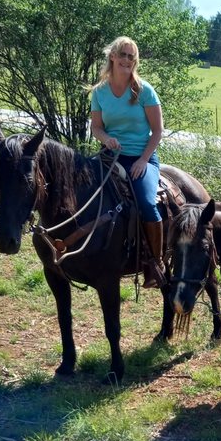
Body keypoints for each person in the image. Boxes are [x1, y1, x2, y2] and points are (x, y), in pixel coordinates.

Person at [89, 36, 166, 288]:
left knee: (146, 203)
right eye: (122, 54)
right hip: (110, 157)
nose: (126, 60)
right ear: (112, 56)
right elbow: (96, 128)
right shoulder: (99, 92)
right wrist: (107, 138)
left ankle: (155, 264)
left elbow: (157, 131)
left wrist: (144, 160)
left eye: (131, 56)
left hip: (141, 158)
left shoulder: (144, 91)